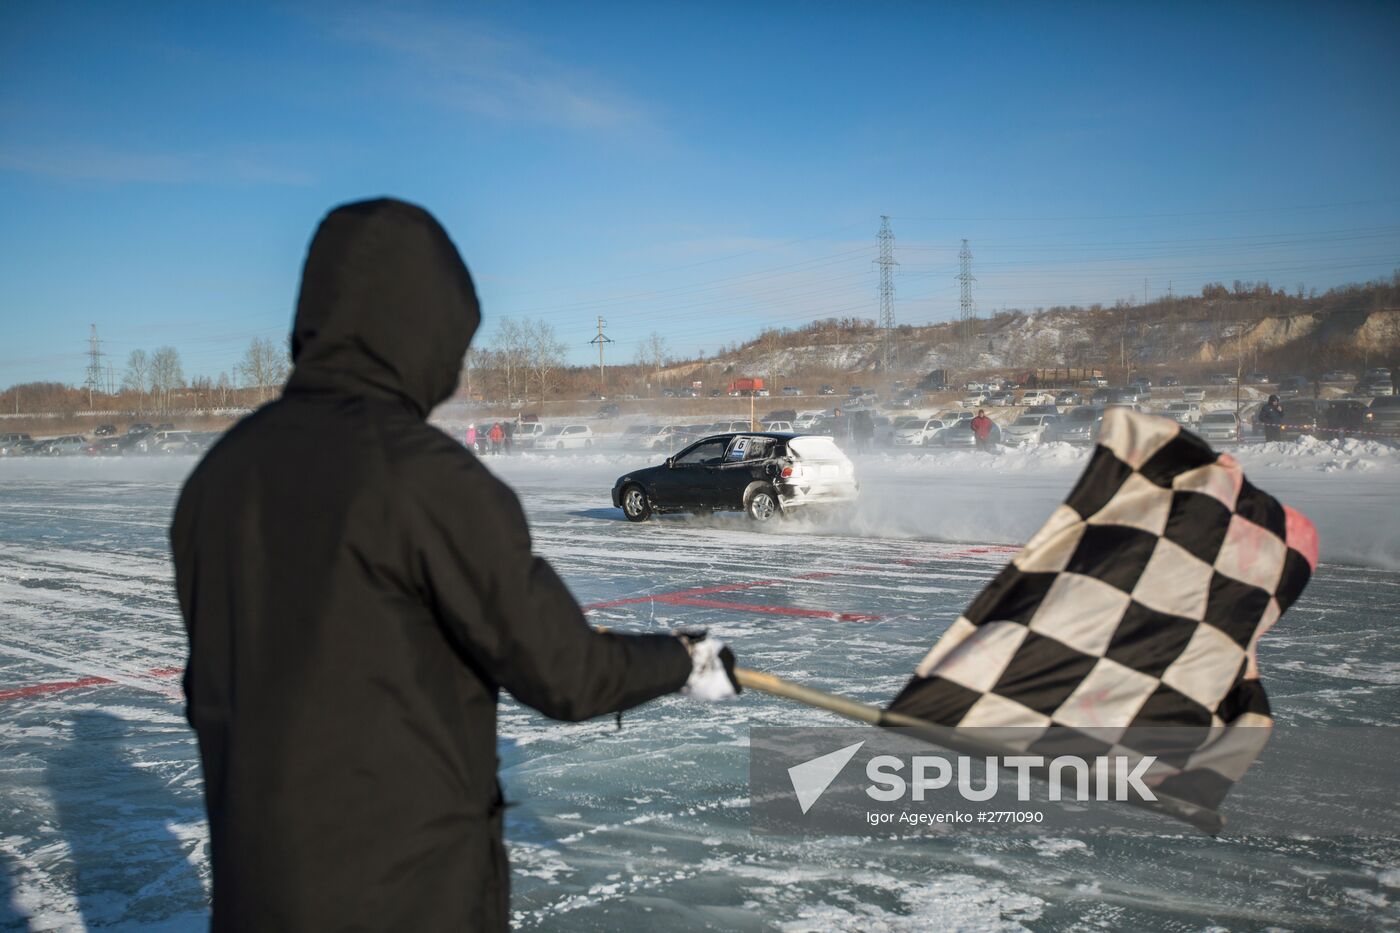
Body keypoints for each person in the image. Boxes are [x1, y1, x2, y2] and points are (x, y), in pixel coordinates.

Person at [170, 199, 740, 931]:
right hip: (408, 895)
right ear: (419, 327)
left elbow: (209, 691)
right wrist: (683, 660)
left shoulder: (218, 478)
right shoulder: (427, 480)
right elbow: (564, 672)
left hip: (258, 892)